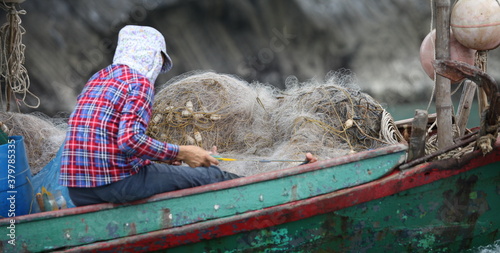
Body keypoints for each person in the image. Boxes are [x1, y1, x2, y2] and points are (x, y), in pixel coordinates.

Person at [59, 25, 316, 206]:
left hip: (78, 190)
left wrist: (164, 160)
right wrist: (183, 153)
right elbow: (129, 141)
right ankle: (274, 199)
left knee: (173, 172)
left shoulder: (99, 78)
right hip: (113, 184)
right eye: (159, 60)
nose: (158, 68)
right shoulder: (138, 83)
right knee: (212, 176)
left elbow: (109, 141)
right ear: (152, 56)